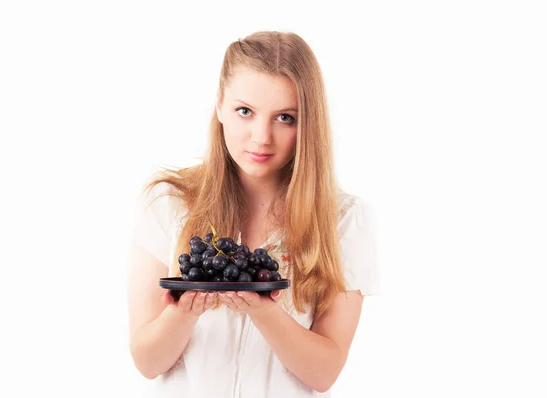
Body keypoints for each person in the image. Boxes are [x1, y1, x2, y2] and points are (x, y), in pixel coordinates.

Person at [127, 30, 380, 397]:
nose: (261, 137)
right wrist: (182, 314)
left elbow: (324, 373)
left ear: (308, 122)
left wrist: (263, 310)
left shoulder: (343, 220)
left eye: (285, 118)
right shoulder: (169, 203)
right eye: (245, 111)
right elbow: (147, 363)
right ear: (219, 107)